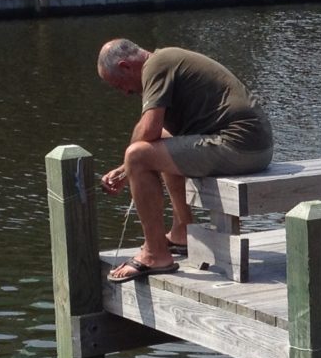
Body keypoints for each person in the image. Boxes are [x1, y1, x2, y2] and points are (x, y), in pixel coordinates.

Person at [95, 39, 274, 281]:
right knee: (158, 148)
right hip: (253, 145)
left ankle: (155, 254)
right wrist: (124, 169)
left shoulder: (156, 66)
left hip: (241, 146)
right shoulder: (164, 61)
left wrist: (128, 166)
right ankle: (181, 232)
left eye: (119, 85)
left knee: (137, 156)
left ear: (126, 66)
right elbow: (158, 137)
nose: (126, 93)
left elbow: (148, 132)